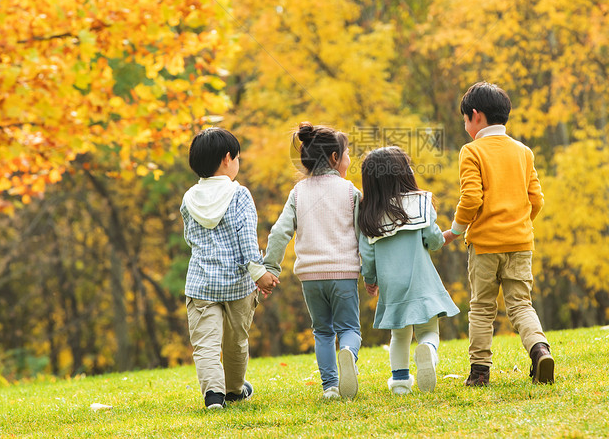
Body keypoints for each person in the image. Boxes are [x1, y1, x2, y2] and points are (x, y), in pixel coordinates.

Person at [442, 81, 555, 386]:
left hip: (485, 245)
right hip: (520, 243)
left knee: (481, 308)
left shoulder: (472, 152)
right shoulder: (523, 152)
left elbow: (471, 199)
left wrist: (455, 231)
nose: (465, 125)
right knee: (520, 304)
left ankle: (480, 371)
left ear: (475, 116)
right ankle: (540, 350)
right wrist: (520, 223)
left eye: (465, 119)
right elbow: (537, 200)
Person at [181, 127, 279, 409]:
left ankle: (213, 396)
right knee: (236, 341)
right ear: (227, 159)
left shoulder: (189, 198)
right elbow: (247, 240)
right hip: (237, 284)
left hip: (201, 283)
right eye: (237, 158)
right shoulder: (239, 194)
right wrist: (260, 274)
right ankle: (234, 390)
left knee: (206, 344)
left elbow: (190, 239)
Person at [264, 122, 362, 400]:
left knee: (322, 332)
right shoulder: (350, 191)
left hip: (310, 277)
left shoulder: (298, 192)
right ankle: (348, 354)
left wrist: (271, 266)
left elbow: (279, 233)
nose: (349, 159)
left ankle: (330, 386)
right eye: (346, 154)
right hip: (343, 273)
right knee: (349, 329)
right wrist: (371, 271)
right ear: (334, 158)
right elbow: (363, 235)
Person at [359, 147, 460, 395]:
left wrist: (370, 280)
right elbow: (433, 240)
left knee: (399, 335)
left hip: (392, 286)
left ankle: (401, 382)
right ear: (404, 174)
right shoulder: (420, 203)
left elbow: (368, 256)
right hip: (422, 282)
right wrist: (447, 236)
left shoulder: (368, 214)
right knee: (428, 331)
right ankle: (428, 351)